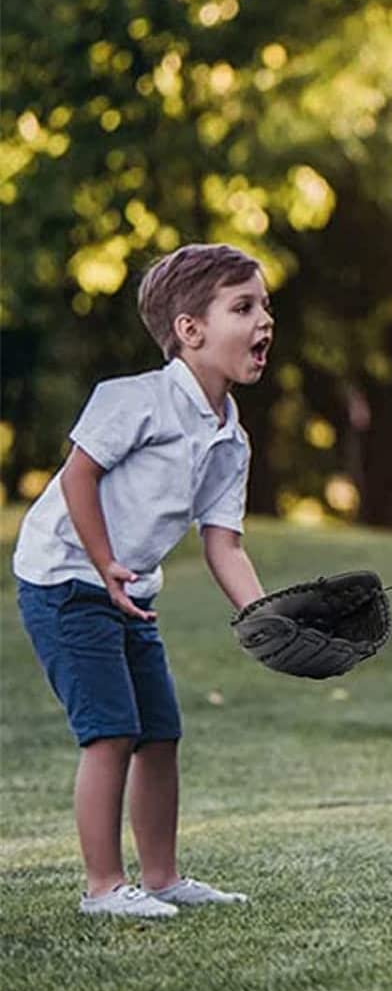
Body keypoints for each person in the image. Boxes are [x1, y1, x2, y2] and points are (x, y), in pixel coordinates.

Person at [13, 243, 275, 918]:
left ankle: (161, 878)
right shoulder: (135, 399)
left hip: (132, 591)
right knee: (111, 731)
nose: (265, 320)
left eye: (266, 305)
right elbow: (79, 475)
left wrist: (266, 617)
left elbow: (224, 543)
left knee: (159, 732)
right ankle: (102, 887)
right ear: (190, 330)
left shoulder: (230, 436)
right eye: (244, 306)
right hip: (67, 578)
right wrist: (103, 562)